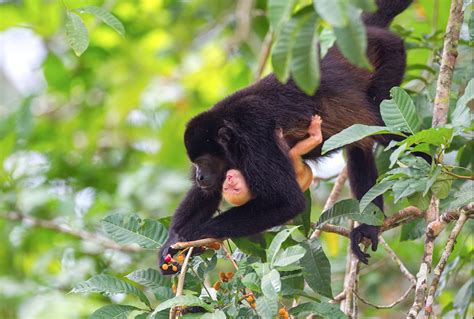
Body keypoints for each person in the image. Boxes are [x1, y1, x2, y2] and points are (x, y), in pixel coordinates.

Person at [222, 115, 323, 206]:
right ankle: (316, 137)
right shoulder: (262, 179)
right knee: (293, 153)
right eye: (236, 189)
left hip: (286, 173)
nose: (230, 183)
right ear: (251, 189)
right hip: (299, 176)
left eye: (225, 188)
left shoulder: (240, 167)